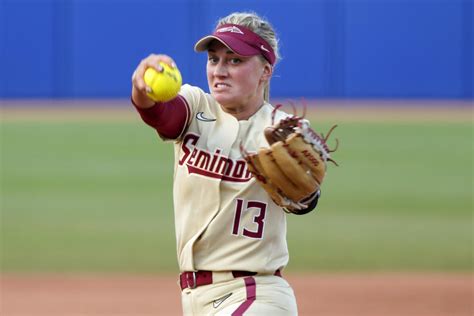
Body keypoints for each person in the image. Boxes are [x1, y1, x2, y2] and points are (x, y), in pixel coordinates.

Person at [131, 11, 320, 315]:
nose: (220, 70)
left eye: (235, 60)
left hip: (258, 295)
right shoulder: (195, 107)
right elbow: (160, 114)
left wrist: (305, 194)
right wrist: (141, 90)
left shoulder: (284, 133)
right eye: (214, 59)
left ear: (265, 71)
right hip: (195, 299)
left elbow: (305, 201)